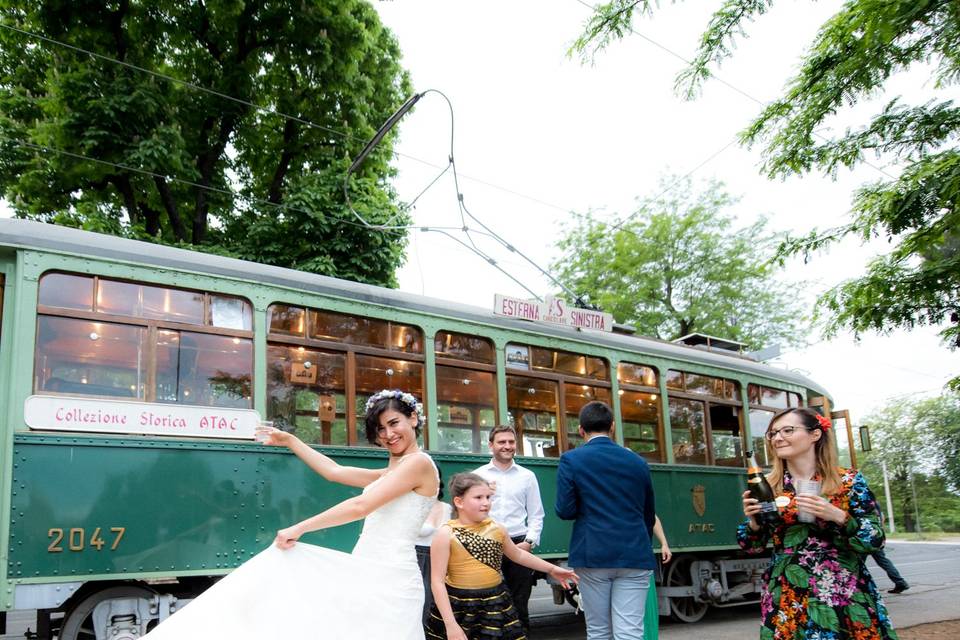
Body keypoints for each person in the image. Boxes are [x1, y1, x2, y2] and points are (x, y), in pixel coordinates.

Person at [142, 389, 439, 639]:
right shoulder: (394, 470)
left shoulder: (418, 464)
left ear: (413, 419)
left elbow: (360, 507)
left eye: (394, 423)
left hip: (390, 578)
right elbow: (335, 472)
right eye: (381, 430)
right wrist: (291, 441)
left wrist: (300, 527)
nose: (388, 434)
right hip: (367, 569)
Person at [739, 407, 899, 640]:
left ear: (815, 434)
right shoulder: (769, 486)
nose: (778, 438)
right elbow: (753, 547)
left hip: (842, 591)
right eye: (773, 433)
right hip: (788, 594)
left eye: (788, 430)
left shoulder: (848, 481)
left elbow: (875, 539)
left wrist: (839, 516)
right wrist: (754, 524)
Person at [425, 473, 577, 640]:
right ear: (459, 502)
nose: (486, 503)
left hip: (495, 602)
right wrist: (451, 624)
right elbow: (437, 582)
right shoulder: (446, 533)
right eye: (478, 497)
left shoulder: (497, 529)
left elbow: (518, 554)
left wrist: (552, 569)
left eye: (488, 497)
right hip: (459, 606)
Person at [555, 401, 657, 640]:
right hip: (635, 554)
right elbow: (648, 514)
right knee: (630, 631)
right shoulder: (638, 463)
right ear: (612, 427)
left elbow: (565, 510)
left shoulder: (571, 460)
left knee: (599, 631)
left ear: (581, 430)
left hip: (593, 554)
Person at [474, 425, 545, 634]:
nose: (507, 446)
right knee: (486, 605)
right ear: (491, 445)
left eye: (511, 442)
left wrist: (530, 542)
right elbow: (470, 513)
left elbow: (536, 514)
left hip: (519, 544)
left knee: (519, 605)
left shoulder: (528, 476)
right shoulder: (477, 475)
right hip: (487, 542)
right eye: (502, 442)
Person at [416, 495, 454, 623]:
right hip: (417, 556)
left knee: (438, 599)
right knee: (421, 598)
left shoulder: (447, 507)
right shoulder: (413, 504)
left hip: (440, 556)